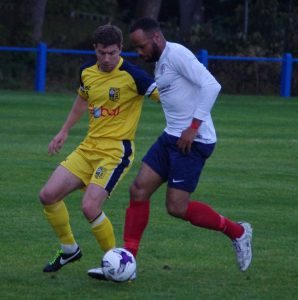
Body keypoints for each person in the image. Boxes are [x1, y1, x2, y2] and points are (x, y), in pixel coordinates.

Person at [88, 17, 253, 281]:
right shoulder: (161, 62)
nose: (139, 53)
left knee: (176, 207)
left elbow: (212, 85)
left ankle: (238, 232)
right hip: (172, 137)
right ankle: (127, 263)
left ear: (156, 38)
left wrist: (194, 127)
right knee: (139, 190)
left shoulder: (177, 55)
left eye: (141, 46)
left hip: (193, 141)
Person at [39, 24, 159, 275]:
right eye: (102, 52)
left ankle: (119, 266)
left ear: (121, 50)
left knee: (89, 207)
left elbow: (164, 96)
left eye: (112, 53)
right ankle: (69, 248)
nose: (106, 59)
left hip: (116, 151)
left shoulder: (134, 75)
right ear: (95, 49)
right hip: (88, 147)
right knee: (48, 195)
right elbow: (82, 100)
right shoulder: (86, 72)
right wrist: (64, 131)